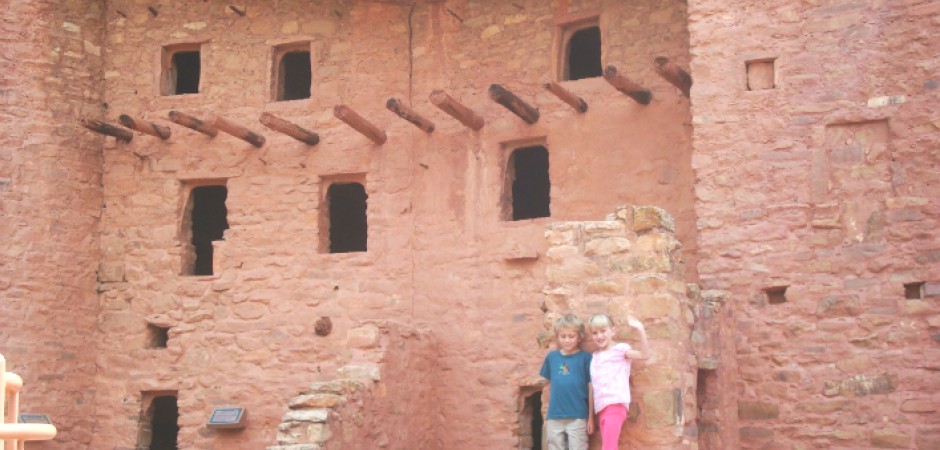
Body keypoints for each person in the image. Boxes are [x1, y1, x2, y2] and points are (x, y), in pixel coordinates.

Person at [588, 314, 651, 450]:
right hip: (601, 409)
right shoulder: (595, 357)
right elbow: (592, 386)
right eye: (595, 333)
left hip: (615, 406)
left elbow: (644, 355)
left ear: (613, 331)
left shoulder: (619, 349)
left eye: (603, 331)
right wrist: (590, 417)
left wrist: (640, 329)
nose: (599, 336)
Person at [539, 314, 594, 450]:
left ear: (579, 337)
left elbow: (591, 387)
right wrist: (546, 414)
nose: (567, 340)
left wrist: (590, 417)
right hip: (555, 416)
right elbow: (546, 385)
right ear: (557, 337)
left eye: (571, 336)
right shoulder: (552, 358)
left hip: (578, 416)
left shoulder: (586, 358)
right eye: (563, 336)